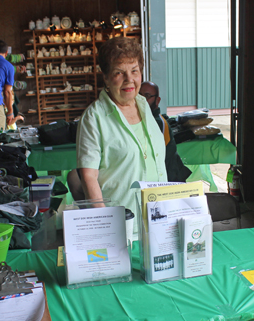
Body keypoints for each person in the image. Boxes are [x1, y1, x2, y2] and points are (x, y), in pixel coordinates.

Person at [75, 37, 167, 217]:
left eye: (134, 71)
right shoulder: (94, 118)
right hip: (122, 224)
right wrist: (106, 224)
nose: (129, 80)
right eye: (119, 73)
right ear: (107, 79)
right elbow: (88, 177)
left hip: (157, 220)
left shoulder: (143, 106)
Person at [139, 81, 192, 182]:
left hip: (169, 179)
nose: (142, 99)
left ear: (157, 100)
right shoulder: (145, 119)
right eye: (139, 95)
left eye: (147, 96)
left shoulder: (157, 123)